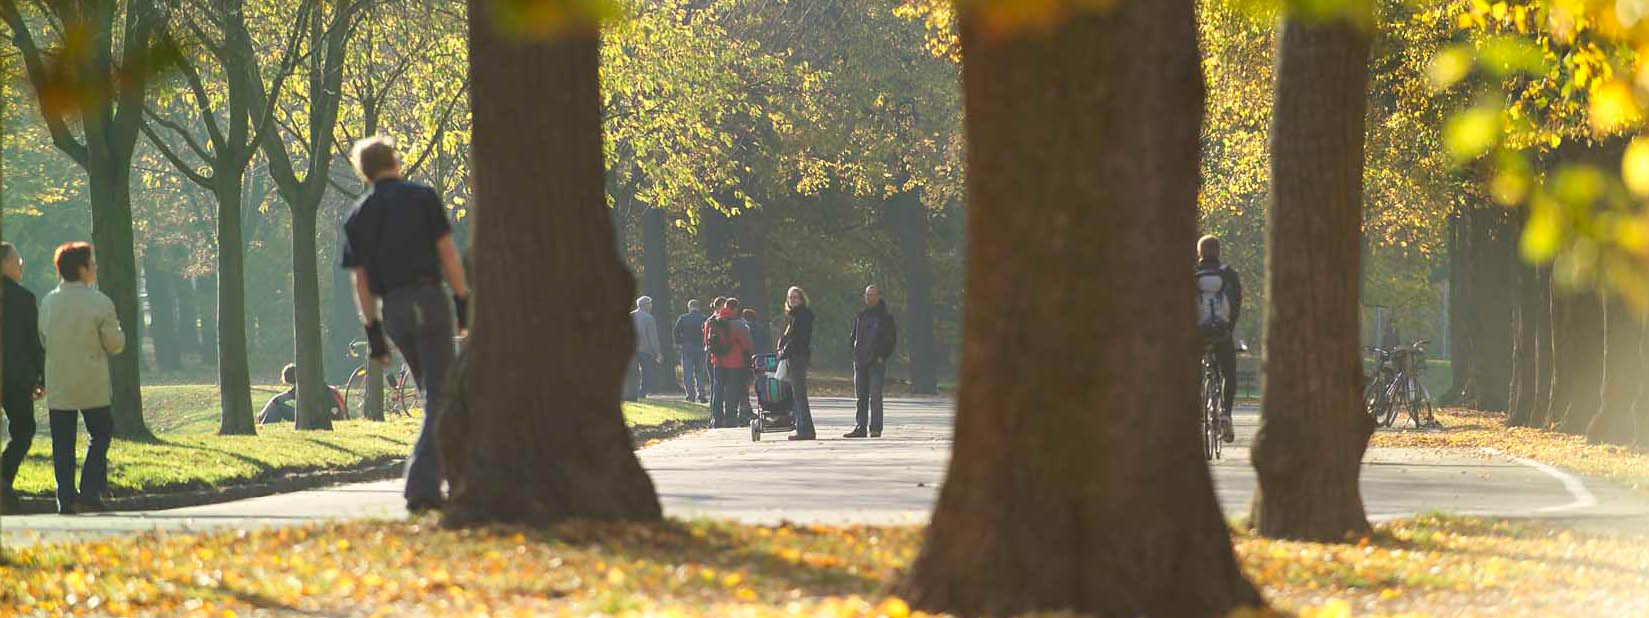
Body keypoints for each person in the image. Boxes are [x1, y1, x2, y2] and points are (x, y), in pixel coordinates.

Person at [339, 136, 469, 512]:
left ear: (363, 171)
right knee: (440, 396)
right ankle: (421, 485)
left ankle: (458, 475)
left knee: (436, 393)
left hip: (393, 309)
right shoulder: (422, 197)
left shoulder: (358, 214)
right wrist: (463, 301)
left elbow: (360, 281)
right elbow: (447, 254)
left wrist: (373, 333)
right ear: (395, 161)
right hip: (428, 300)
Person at [38, 242, 124, 514]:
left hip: (59, 381)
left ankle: (64, 496)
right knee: (100, 432)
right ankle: (88, 489)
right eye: (92, 262)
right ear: (81, 268)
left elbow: (42, 337)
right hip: (92, 382)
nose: (95, 267)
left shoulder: (49, 301)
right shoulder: (100, 302)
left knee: (62, 442)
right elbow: (114, 344)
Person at [1, 242, 44, 510]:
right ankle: (3, 478)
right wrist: (42, 378)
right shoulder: (24, 298)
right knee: (23, 430)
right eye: (17, 260)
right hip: (15, 377)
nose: (21, 264)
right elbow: (33, 343)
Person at [1195, 234, 1242, 444]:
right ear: (1219, 252)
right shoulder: (1229, 275)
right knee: (1229, 374)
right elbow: (1236, 306)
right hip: (1222, 333)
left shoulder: (1192, 274)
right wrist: (1229, 330)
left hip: (1198, 335)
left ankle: (1197, 412)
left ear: (1199, 253)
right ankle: (1225, 413)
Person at [846, 285, 897, 438]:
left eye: (872, 295)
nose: (869, 298)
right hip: (860, 361)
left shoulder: (886, 317)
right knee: (860, 396)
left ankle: (875, 428)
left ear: (879, 296)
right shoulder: (861, 315)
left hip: (876, 362)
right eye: (867, 295)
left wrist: (882, 356)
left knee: (875, 396)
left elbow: (891, 340)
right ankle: (860, 427)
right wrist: (854, 352)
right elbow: (853, 336)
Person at [705, 297, 753, 428]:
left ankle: (716, 418)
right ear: (736, 309)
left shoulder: (711, 321)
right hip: (735, 362)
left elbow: (707, 342)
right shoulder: (738, 323)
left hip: (717, 361)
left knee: (717, 389)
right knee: (732, 390)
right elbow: (746, 344)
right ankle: (730, 418)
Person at [777, 286, 815, 441]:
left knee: (799, 395)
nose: (792, 300)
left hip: (798, 357)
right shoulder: (793, 316)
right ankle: (804, 428)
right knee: (797, 394)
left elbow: (799, 339)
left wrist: (784, 350)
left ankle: (804, 429)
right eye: (790, 297)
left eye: (795, 297)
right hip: (793, 356)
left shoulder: (803, 315)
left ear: (801, 299)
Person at [259, 364, 347, 424]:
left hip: (311, 418)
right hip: (325, 416)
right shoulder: (315, 382)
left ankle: (265, 427)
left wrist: (262, 414)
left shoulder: (301, 386)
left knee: (278, 408)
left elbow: (276, 400)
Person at [626, 296, 662, 401]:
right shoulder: (649, 318)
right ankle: (642, 392)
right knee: (646, 372)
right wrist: (657, 352)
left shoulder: (630, 315)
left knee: (633, 372)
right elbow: (653, 337)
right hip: (645, 349)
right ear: (645, 305)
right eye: (650, 303)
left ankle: (633, 392)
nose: (651, 306)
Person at [674, 300, 710, 403]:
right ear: (698, 307)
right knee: (700, 372)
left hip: (687, 347)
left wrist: (680, 342)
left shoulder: (684, 318)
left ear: (689, 307)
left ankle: (690, 395)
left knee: (688, 372)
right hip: (701, 347)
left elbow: (676, 331)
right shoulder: (704, 318)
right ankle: (701, 393)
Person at [703, 296, 728, 406]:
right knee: (715, 385)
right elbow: (706, 340)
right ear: (718, 307)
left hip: (716, 355)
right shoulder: (712, 321)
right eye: (724, 306)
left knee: (717, 385)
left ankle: (716, 412)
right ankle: (715, 412)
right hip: (713, 355)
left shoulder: (713, 320)